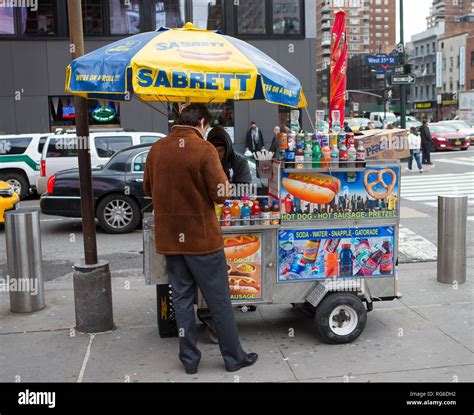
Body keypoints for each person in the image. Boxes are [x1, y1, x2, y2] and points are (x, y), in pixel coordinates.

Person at [143, 104, 258, 374]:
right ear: (203, 122)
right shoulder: (204, 149)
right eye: (207, 126)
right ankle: (233, 358)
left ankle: (190, 361)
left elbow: (148, 188)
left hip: (171, 240)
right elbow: (220, 193)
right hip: (202, 240)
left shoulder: (157, 149)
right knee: (219, 301)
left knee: (181, 301)